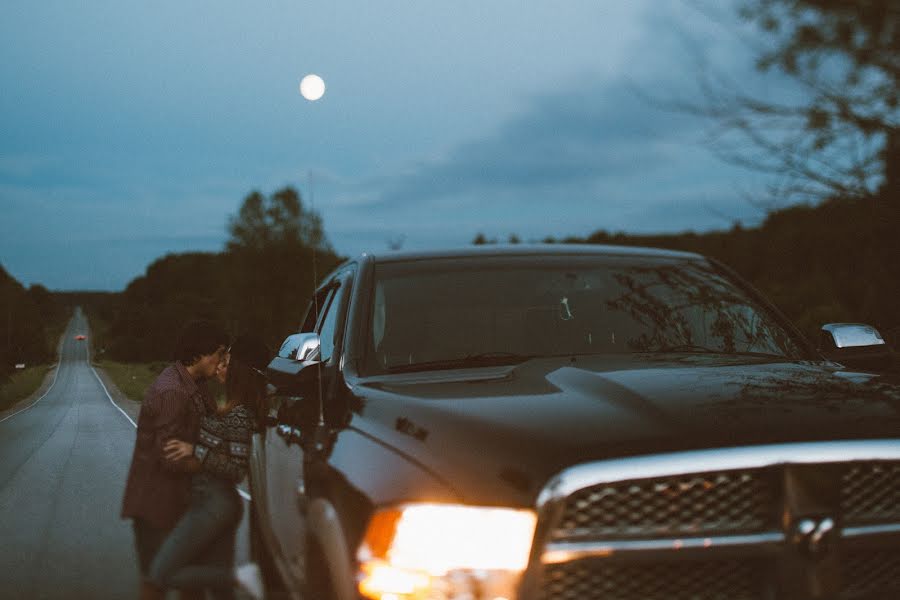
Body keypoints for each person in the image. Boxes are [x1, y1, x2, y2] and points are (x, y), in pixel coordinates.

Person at [144, 334, 271, 600]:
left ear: (240, 372)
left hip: (214, 504)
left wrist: (196, 451)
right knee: (220, 593)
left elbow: (237, 469)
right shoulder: (229, 407)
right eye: (222, 360)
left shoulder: (238, 414)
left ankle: (241, 577)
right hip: (212, 502)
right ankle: (233, 580)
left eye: (228, 362)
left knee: (161, 574)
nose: (221, 367)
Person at [121, 319, 229, 600]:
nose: (222, 361)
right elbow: (170, 457)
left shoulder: (196, 386)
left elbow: (216, 429)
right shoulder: (172, 391)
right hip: (157, 506)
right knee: (156, 583)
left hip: (183, 503)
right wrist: (209, 460)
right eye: (220, 353)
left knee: (190, 586)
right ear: (202, 352)